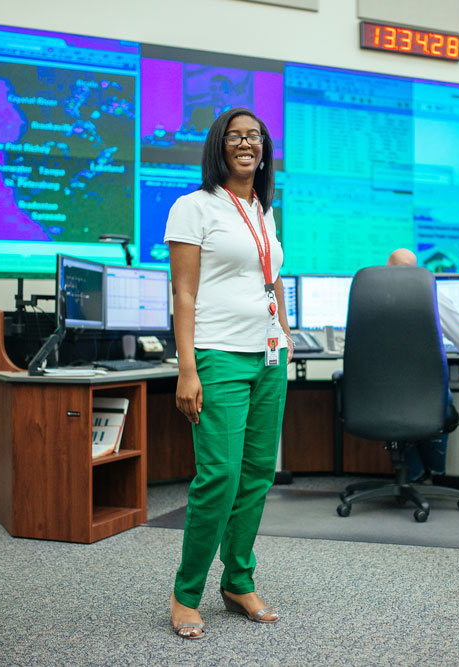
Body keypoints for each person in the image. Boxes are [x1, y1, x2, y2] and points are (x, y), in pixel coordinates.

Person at [164, 107, 293, 639]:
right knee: (219, 477)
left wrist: (288, 337)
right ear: (219, 145)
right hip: (218, 355)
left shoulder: (263, 210)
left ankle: (238, 580)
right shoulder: (193, 207)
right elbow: (184, 293)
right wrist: (186, 369)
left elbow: (273, 280)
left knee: (259, 474)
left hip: (269, 357)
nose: (246, 143)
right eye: (236, 136)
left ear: (263, 148)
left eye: (254, 136)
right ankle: (185, 592)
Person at [386, 248, 459, 481]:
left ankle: (415, 474)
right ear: (417, 271)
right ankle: (436, 472)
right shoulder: (429, 294)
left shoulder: (367, 295)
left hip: (379, 399)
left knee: (398, 405)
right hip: (424, 397)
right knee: (437, 399)